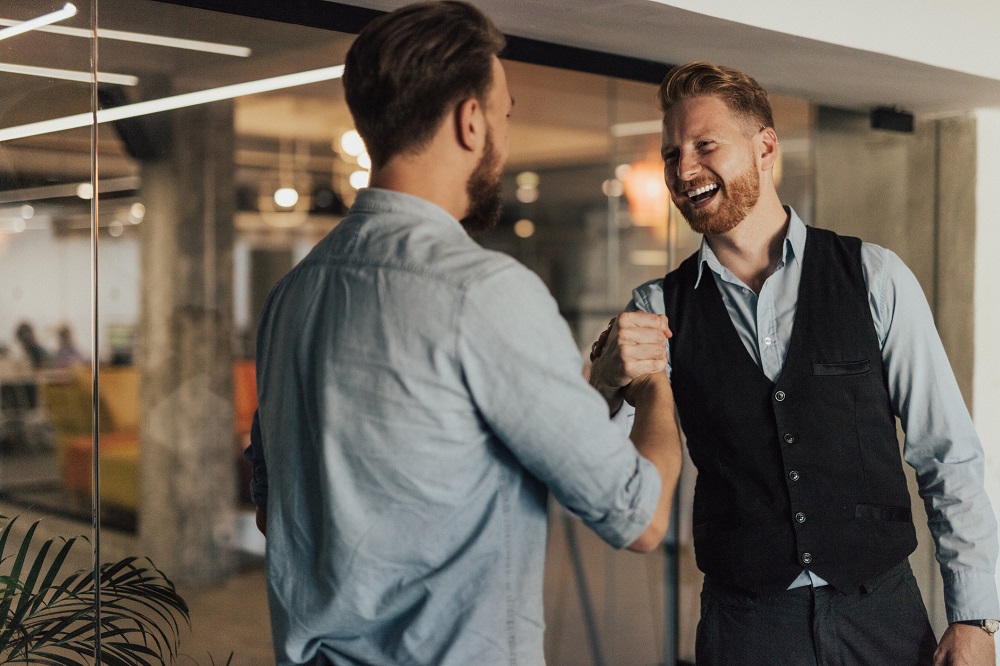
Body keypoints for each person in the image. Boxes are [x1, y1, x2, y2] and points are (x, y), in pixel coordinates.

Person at [249, 3, 682, 664]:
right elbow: (642, 519)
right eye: (505, 115)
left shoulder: (291, 296)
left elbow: (276, 508)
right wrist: (655, 387)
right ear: (471, 121)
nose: (504, 141)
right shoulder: (484, 292)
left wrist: (595, 385)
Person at [589, 61, 999, 666]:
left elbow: (947, 454)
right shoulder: (657, 309)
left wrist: (974, 617)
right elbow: (607, 475)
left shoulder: (874, 277)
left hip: (881, 619)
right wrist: (603, 383)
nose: (684, 170)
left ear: (765, 147)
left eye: (705, 146)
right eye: (672, 154)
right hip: (746, 629)